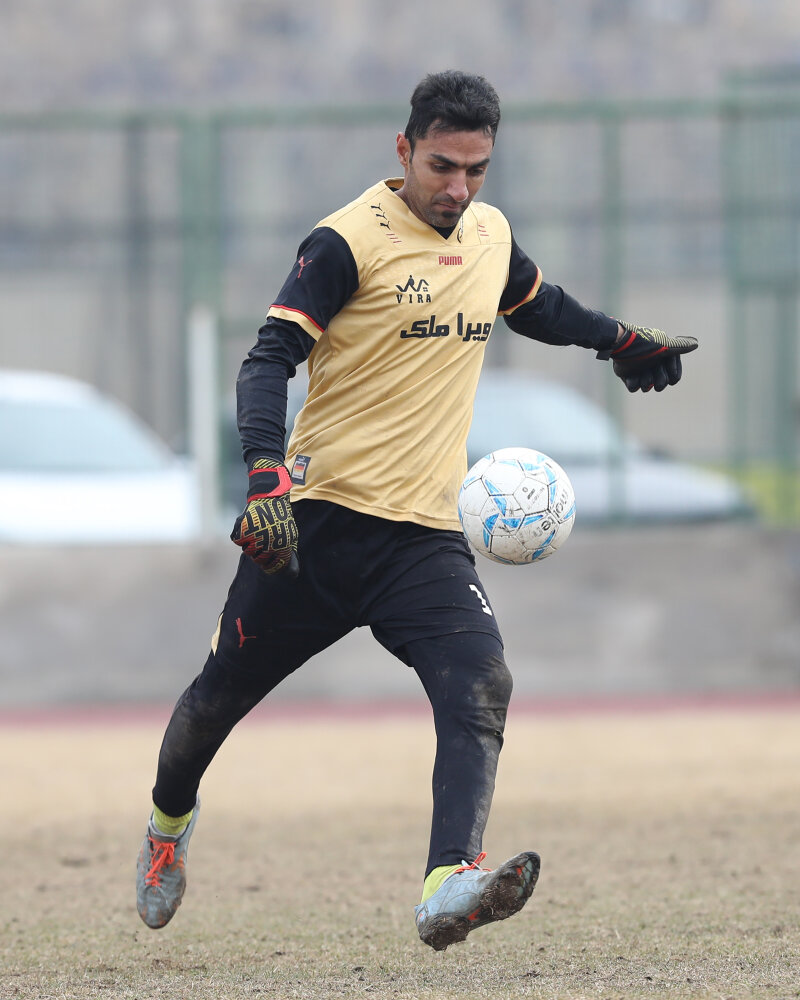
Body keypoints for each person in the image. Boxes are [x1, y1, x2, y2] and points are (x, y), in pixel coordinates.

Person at [136, 70, 697, 952]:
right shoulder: (345, 242)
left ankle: (448, 884)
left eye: (476, 170)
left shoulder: (487, 233)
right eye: (442, 166)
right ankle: (167, 828)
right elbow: (267, 361)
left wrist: (618, 340)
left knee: (481, 683)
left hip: (424, 539)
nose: (458, 188)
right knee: (211, 707)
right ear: (403, 150)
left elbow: (535, 304)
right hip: (314, 529)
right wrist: (266, 476)